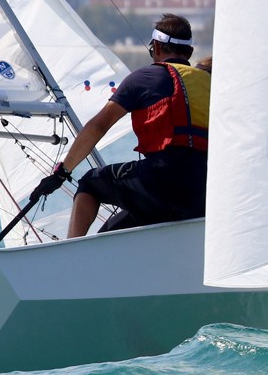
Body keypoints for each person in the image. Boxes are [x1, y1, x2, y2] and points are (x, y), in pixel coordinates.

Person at [30, 14, 211, 238]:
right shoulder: (210, 83)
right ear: (190, 53)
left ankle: (72, 250)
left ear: (155, 47)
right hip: (202, 193)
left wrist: (61, 173)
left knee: (90, 182)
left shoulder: (143, 78)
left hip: (159, 184)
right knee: (114, 229)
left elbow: (98, 126)